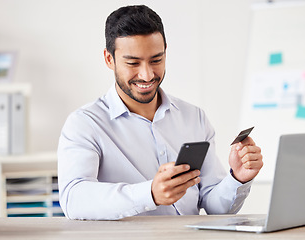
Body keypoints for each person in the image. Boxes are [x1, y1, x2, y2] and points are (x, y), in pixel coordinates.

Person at [57, 5, 263, 220]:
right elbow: (74, 199)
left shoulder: (194, 117)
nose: (147, 75)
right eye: (133, 63)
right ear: (110, 59)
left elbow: (215, 207)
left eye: (156, 60)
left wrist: (237, 179)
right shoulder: (85, 124)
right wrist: (149, 194)